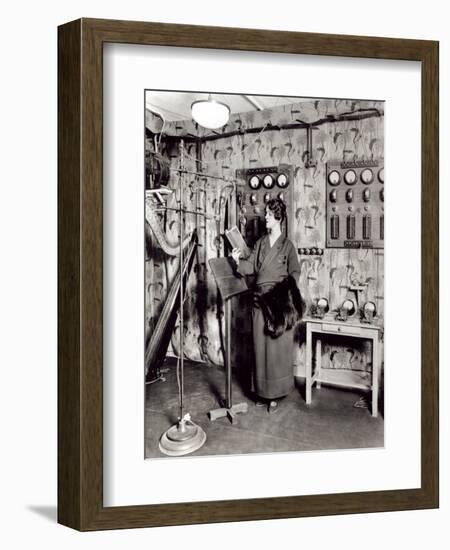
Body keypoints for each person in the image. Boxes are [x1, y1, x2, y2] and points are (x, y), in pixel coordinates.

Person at [231, 198, 302, 413]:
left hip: (278, 305)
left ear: (278, 217)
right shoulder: (261, 243)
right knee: (260, 349)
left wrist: (282, 295)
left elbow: (295, 273)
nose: (266, 218)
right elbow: (251, 265)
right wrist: (236, 262)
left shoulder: (288, 246)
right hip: (259, 303)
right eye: (266, 215)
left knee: (276, 351)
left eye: (270, 215)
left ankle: (276, 394)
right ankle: (262, 391)